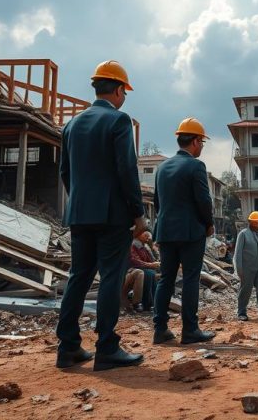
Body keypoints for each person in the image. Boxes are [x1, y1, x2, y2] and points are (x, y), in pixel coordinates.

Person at [56, 60, 145, 371]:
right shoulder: (118, 122)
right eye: (125, 92)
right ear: (119, 89)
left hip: (79, 213)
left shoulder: (71, 125)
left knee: (78, 277)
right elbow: (126, 170)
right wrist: (138, 213)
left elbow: (66, 172)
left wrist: (81, 201)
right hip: (112, 216)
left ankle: (67, 348)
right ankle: (106, 347)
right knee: (111, 277)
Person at [152, 118, 216, 345]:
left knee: (165, 280)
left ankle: (160, 330)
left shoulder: (162, 168)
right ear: (196, 141)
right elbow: (203, 201)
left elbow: (157, 203)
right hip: (190, 232)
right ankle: (189, 330)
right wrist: (208, 224)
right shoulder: (196, 166)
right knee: (190, 279)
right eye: (202, 142)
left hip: (166, 231)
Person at [130, 231, 159, 312]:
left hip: (143, 268)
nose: (148, 237)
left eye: (149, 235)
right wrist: (151, 265)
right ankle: (146, 304)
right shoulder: (133, 244)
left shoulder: (145, 246)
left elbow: (152, 259)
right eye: (145, 234)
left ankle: (155, 303)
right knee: (149, 274)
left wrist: (152, 248)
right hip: (131, 269)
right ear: (138, 234)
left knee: (152, 273)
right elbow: (134, 261)